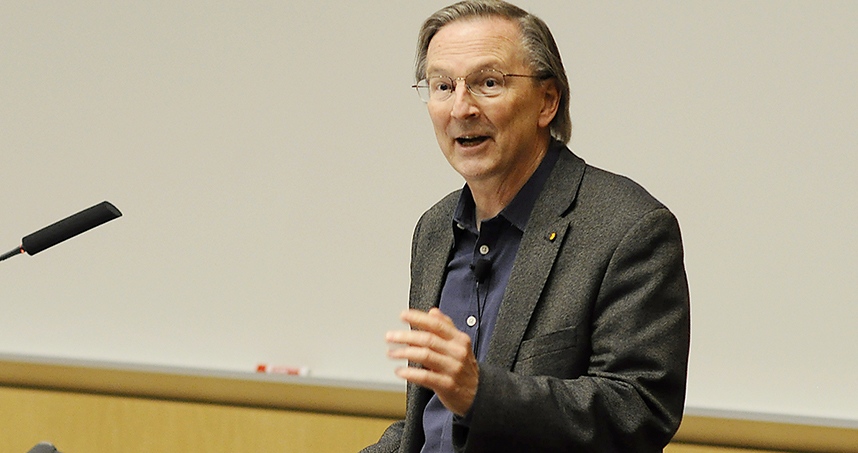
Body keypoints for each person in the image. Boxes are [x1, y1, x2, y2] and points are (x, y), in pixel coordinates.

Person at [362, 1, 690, 451]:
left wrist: (483, 394)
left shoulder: (627, 227)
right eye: (442, 85)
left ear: (547, 101)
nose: (461, 107)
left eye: (488, 83)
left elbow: (637, 409)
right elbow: (428, 424)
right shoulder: (435, 230)